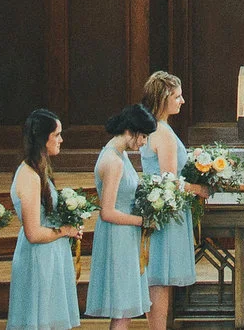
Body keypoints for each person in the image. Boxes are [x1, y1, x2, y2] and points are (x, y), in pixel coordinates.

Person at [9, 110, 83, 330]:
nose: (61, 139)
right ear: (44, 138)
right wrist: (65, 230)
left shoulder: (39, 170)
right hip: (38, 259)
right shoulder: (29, 176)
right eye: (57, 134)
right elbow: (33, 232)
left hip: (50, 256)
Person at [87, 106, 156, 328]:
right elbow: (107, 212)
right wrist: (142, 221)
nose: (144, 142)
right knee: (122, 308)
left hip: (125, 234)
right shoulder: (113, 161)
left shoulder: (120, 154)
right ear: (130, 131)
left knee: (123, 310)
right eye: (143, 136)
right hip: (118, 236)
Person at [140, 73, 199, 330]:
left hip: (164, 209)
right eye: (177, 96)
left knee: (160, 279)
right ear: (163, 98)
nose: (182, 101)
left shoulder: (158, 127)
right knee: (160, 279)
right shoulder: (161, 131)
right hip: (165, 211)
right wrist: (198, 188)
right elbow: (170, 180)